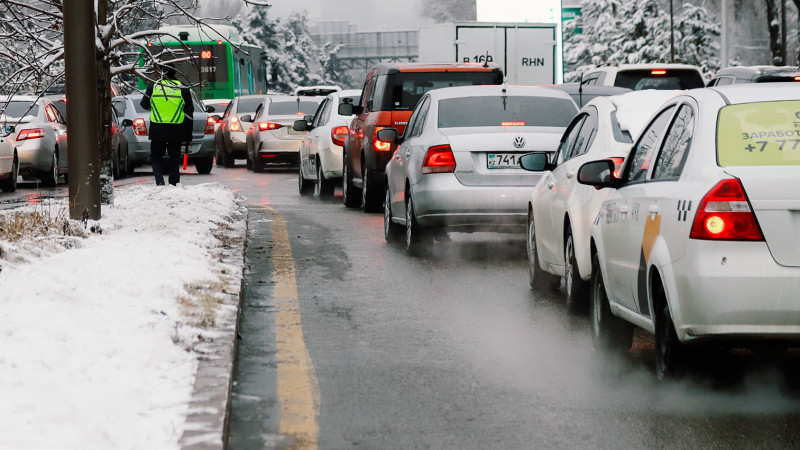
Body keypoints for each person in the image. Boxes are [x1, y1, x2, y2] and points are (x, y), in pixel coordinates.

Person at [140, 64, 194, 186]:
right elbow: (189, 113)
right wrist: (188, 134)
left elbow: (144, 104)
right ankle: (174, 184)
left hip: (157, 129)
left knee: (156, 158)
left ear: (160, 73)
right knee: (174, 158)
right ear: (175, 73)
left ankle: (159, 182)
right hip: (176, 129)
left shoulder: (153, 87)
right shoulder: (182, 88)